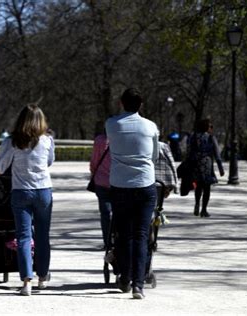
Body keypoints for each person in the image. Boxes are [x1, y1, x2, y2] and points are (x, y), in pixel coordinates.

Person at [0, 103, 55, 296]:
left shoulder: (11, 141)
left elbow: (0, 168)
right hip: (43, 190)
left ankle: (27, 282)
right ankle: (42, 277)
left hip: (21, 191)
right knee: (42, 236)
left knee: (24, 236)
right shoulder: (48, 140)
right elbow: (49, 162)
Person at [105, 88, 159, 299]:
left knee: (123, 235)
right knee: (141, 236)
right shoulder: (151, 126)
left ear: (121, 103)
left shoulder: (111, 124)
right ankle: (139, 284)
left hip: (119, 184)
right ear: (141, 104)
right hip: (145, 183)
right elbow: (154, 156)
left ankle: (125, 278)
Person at [188, 119, 224, 217]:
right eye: (210, 126)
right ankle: (204, 210)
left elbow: (190, 151)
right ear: (207, 128)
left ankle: (196, 204)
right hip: (207, 165)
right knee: (206, 188)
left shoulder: (194, 136)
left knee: (198, 186)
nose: (211, 128)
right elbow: (217, 153)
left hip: (196, 164)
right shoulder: (211, 138)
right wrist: (220, 168)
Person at [89, 121, 111, 250]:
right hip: (121, 181)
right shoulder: (122, 138)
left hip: (101, 181)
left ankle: (107, 241)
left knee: (105, 213)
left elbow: (94, 160)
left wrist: (93, 173)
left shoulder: (99, 140)